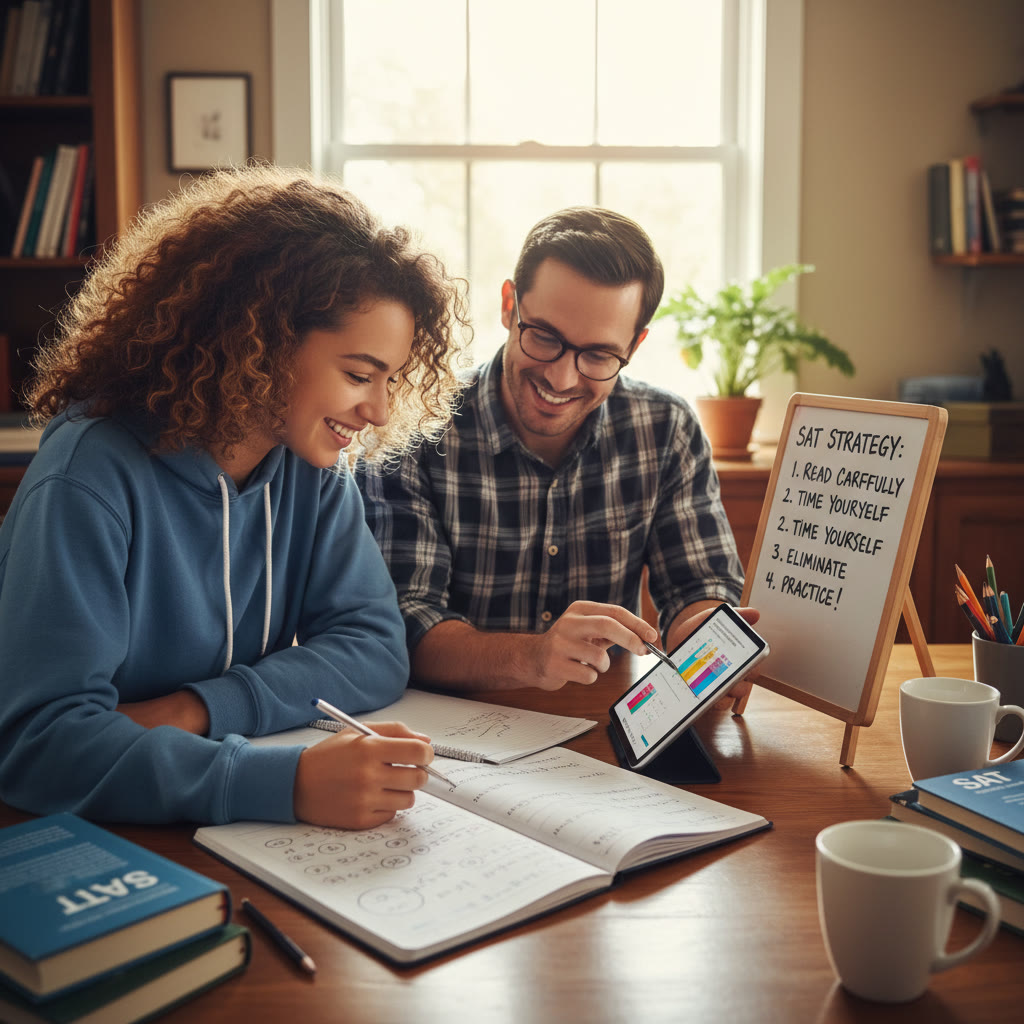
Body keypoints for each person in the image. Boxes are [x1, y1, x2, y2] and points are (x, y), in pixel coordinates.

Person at [0, 165, 468, 828]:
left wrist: (197, 710)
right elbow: (38, 748)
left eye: (390, 378)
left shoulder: (310, 469)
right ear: (265, 342)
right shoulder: (88, 477)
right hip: (103, 836)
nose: (380, 410)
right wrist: (284, 784)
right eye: (360, 374)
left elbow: (374, 645)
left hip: (210, 819)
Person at [356, 206, 754, 693]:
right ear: (509, 306)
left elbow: (699, 587)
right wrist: (533, 657)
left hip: (602, 729)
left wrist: (705, 635)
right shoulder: (415, 428)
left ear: (636, 344)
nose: (561, 379)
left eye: (599, 355)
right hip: (449, 735)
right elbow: (406, 627)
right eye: (543, 336)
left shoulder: (666, 429)